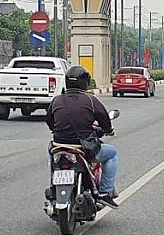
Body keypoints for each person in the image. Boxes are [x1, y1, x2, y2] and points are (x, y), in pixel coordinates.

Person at [45, 65, 120, 208]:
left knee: (52, 159)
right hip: (84, 147)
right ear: (85, 82)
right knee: (112, 154)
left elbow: (50, 122)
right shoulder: (91, 100)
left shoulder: (57, 100)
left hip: (58, 146)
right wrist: (108, 130)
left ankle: (53, 187)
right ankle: (105, 193)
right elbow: (104, 119)